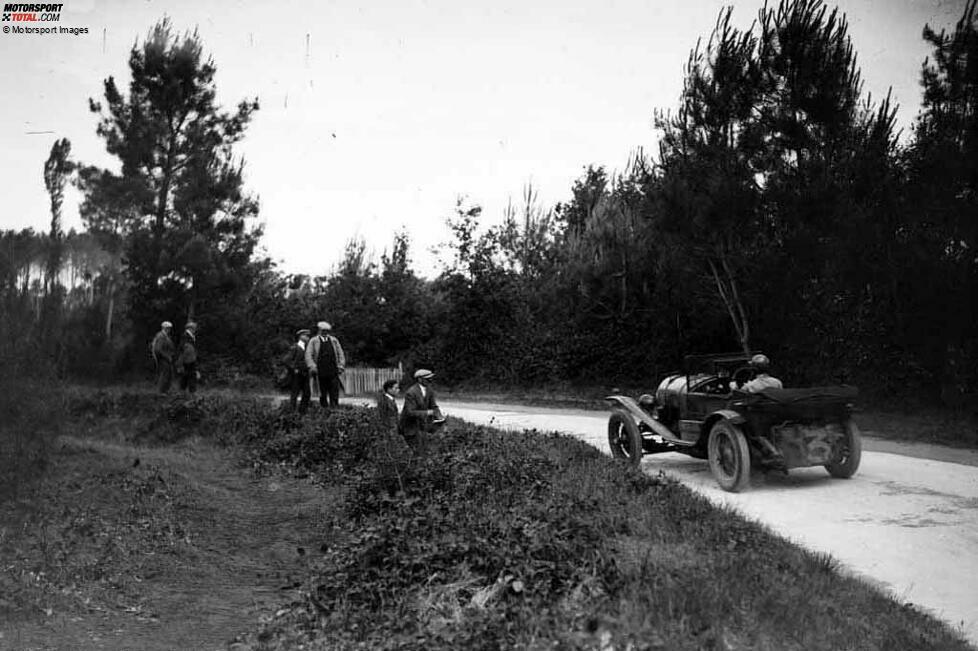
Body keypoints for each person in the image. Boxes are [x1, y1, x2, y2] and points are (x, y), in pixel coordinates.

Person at [399, 369, 443, 452]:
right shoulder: (411, 392)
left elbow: (434, 406)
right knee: (416, 451)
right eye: (427, 379)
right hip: (410, 427)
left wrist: (440, 416)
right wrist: (427, 413)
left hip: (421, 426)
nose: (430, 381)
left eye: (431, 379)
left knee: (424, 449)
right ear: (420, 379)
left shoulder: (429, 390)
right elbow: (410, 412)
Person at [304, 321, 346, 410]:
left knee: (334, 390)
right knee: (322, 391)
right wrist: (312, 366)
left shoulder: (334, 340)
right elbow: (308, 354)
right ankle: (324, 409)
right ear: (319, 330)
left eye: (326, 331)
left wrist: (341, 365)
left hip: (333, 369)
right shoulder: (314, 340)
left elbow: (340, 353)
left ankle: (335, 409)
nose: (325, 332)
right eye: (323, 330)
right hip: (320, 370)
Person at [287, 328, 312, 414]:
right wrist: (294, 369)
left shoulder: (307, 348)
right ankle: (292, 412)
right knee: (295, 394)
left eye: (308, 336)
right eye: (306, 336)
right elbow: (287, 360)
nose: (308, 338)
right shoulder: (295, 347)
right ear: (300, 336)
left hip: (305, 374)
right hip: (297, 375)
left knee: (307, 394)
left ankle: (302, 412)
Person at [150, 321, 175, 394]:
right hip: (163, 359)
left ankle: (165, 391)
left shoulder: (166, 336)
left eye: (170, 328)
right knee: (164, 375)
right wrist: (166, 357)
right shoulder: (161, 336)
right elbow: (158, 349)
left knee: (168, 375)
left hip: (167, 358)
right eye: (168, 328)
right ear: (164, 328)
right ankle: (161, 391)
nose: (169, 330)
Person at [175, 322, 200, 394]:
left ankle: (182, 390)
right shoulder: (185, 336)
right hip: (188, 359)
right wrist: (181, 361)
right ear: (190, 328)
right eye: (194, 328)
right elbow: (183, 349)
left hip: (190, 358)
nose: (195, 329)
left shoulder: (191, 336)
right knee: (191, 375)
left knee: (186, 376)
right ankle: (192, 391)